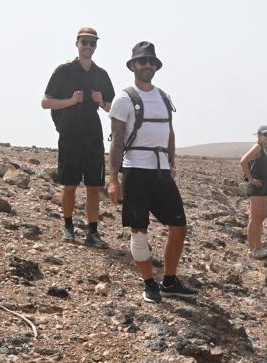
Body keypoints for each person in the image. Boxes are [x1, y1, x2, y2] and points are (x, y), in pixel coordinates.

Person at [107, 42, 197, 304]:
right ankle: (149, 284)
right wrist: (113, 180)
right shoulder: (124, 99)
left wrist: (172, 162)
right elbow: (117, 141)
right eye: (142, 62)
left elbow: (169, 132)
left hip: (161, 172)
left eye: (152, 62)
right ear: (133, 65)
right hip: (136, 171)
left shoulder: (164, 97)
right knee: (139, 230)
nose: (148, 66)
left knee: (179, 226)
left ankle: (169, 280)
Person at [41, 26, 115, 248]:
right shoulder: (64, 71)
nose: (88, 47)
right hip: (70, 134)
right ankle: (68, 227)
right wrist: (71, 101)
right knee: (70, 184)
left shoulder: (101, 75)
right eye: (85, 42)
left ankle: (92, 232)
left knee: (94, 186)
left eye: (92, 43)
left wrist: (102, 101)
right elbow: (45, 102)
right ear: (77, 43)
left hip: (93, 135)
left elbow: (113, 108)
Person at [240, 126, 267, 258]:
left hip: (264, 188)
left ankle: (259, 247)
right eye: (266, 135)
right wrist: (251, 179)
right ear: (259, 135)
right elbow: (243, 161)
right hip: (256, 188)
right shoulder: (258, 147)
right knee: (254, 219)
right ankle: (252, 249)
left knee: (260, 218)